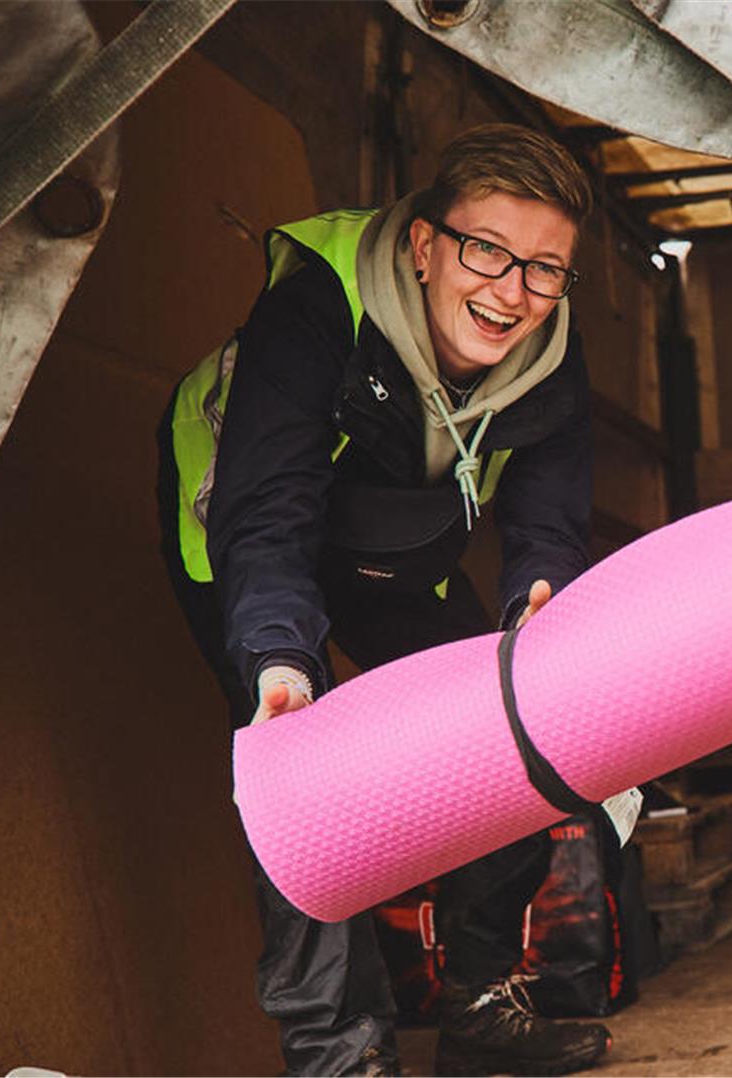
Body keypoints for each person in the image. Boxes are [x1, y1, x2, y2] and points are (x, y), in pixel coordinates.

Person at [158, 124, 612, 1076]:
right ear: (424, 245)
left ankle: (479, 1001)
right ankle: (339, 1051)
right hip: (243, 516)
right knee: (308, 769)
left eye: (542, 269)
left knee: (512, 729)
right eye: (485, 250)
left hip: (390, 533)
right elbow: (268, 512)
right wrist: (280, 656)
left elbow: (549, 525)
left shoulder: (552, 346)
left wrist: (546, 607)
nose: (508, 291)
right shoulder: (317, 307)